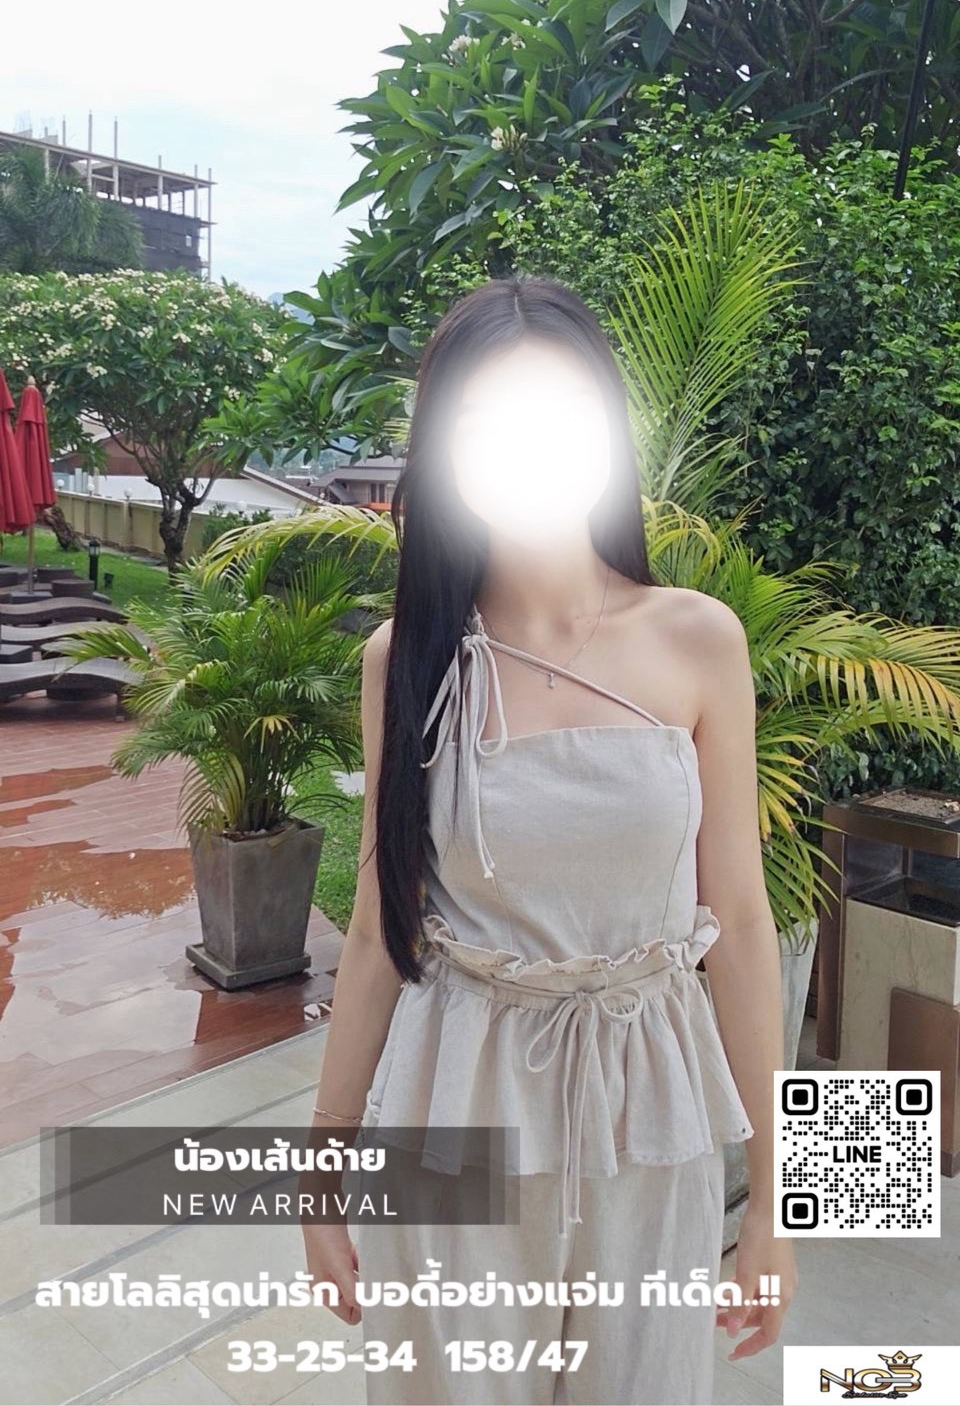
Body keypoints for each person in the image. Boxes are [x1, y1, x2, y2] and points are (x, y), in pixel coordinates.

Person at [302, 275, 796, 1405]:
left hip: (647, 1102)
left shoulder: (698, 639)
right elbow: (379, 930)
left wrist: (781, 1199)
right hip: (455, 1110)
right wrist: (321, 1166)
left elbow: (744, 924)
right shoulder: (407, 660)